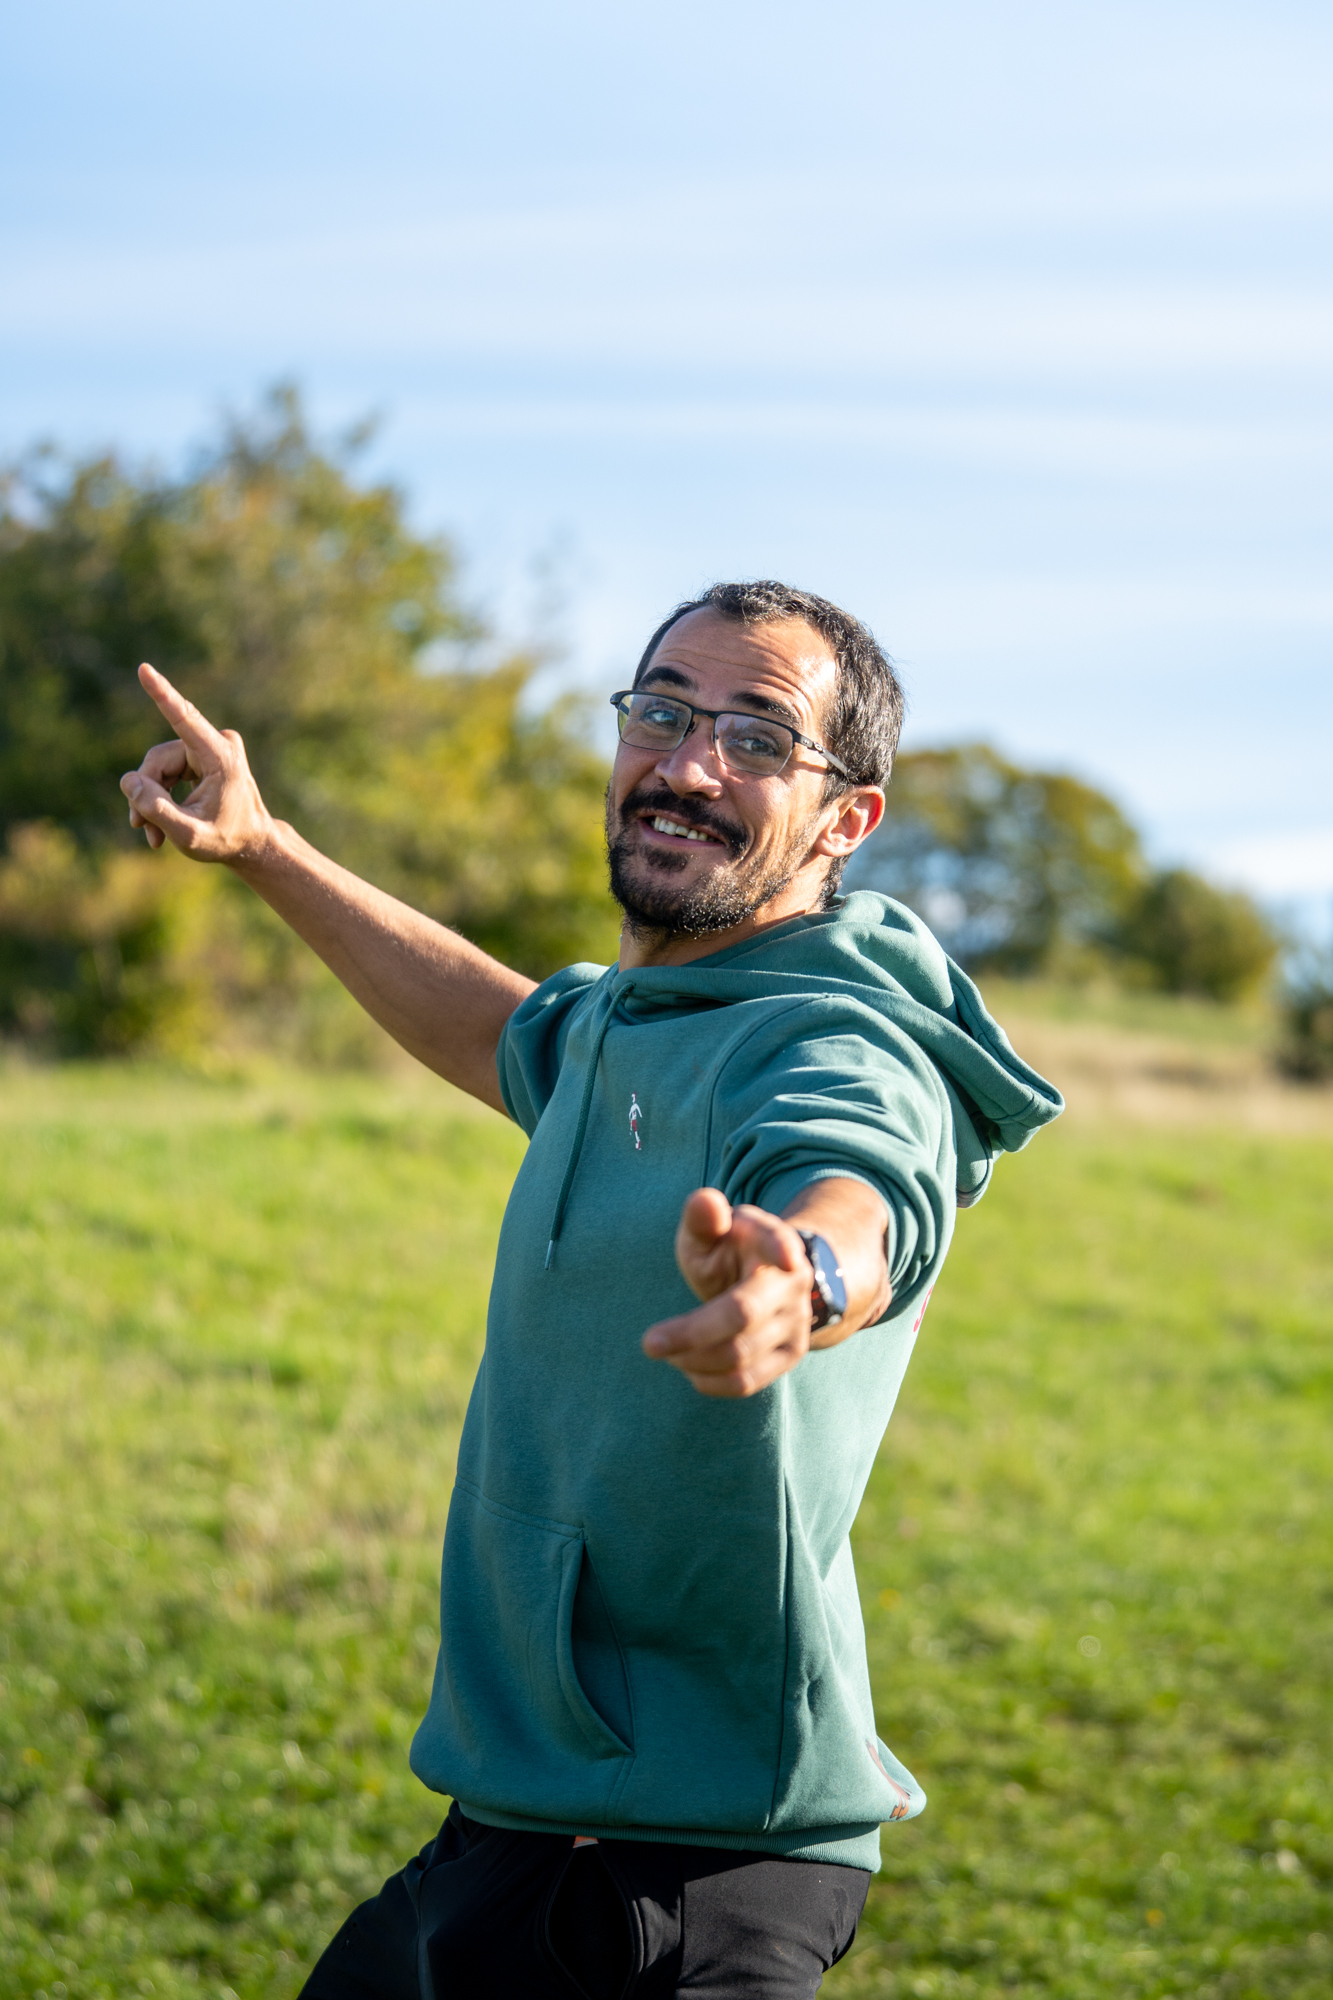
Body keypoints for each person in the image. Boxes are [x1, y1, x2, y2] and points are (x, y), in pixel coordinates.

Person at [120, 580, 1061, 1999]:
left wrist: (801, 1278)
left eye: (758, 737)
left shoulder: (834, 1040)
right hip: (522, 1821)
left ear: (845, 819)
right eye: (662, 713)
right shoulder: (633, 1024)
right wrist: (264, 847)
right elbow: (501, 1028)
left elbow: (860, 1178)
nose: (690, 764)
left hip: (681, 1876)